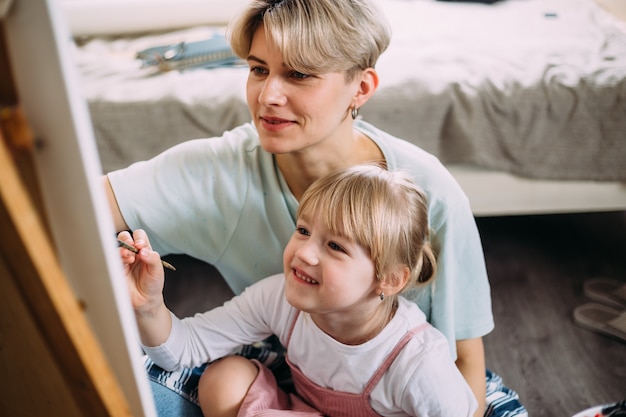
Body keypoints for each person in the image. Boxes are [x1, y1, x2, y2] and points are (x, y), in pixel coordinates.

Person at [104, 0, 526, 415]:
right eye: (258, 69)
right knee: (122, 380)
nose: (268, 95)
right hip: (295, 364)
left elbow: (465, 358)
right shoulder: (222, 181)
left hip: (402, 392)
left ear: (360, 88)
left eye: (299, 74)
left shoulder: (430, 195)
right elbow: (75, 207)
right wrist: (148, 305)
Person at [120, 165, 478, 417]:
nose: (304, 253)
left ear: (389, 279)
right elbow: (183, 350)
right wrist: (149, 305)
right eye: (304, 231)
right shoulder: (281, 298)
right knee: (223, 379)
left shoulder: (417, 360)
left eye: (336, 247)